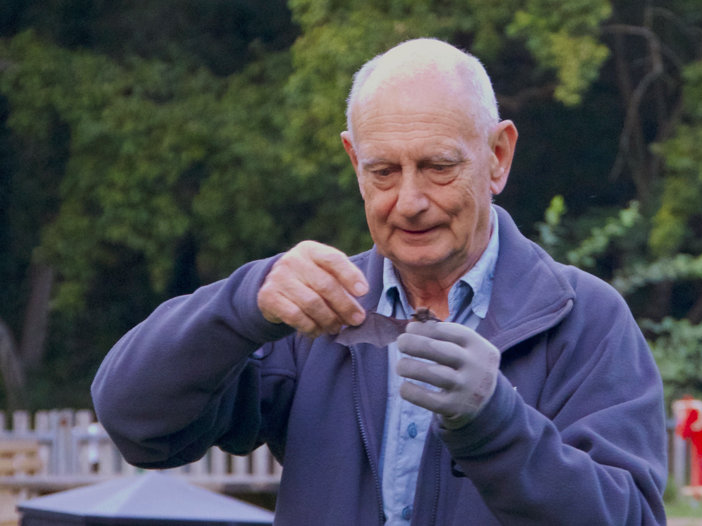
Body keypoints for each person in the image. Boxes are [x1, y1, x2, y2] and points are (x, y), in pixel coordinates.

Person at [92, 38, 667, 525]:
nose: (410, 202)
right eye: (384, 172)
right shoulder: (315, 311)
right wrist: (242, 304)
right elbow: (138, 424)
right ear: (353, 163)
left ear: (497, 156)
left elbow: (630, 516)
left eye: (439, 167)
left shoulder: (583, 318)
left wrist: (495, 423)